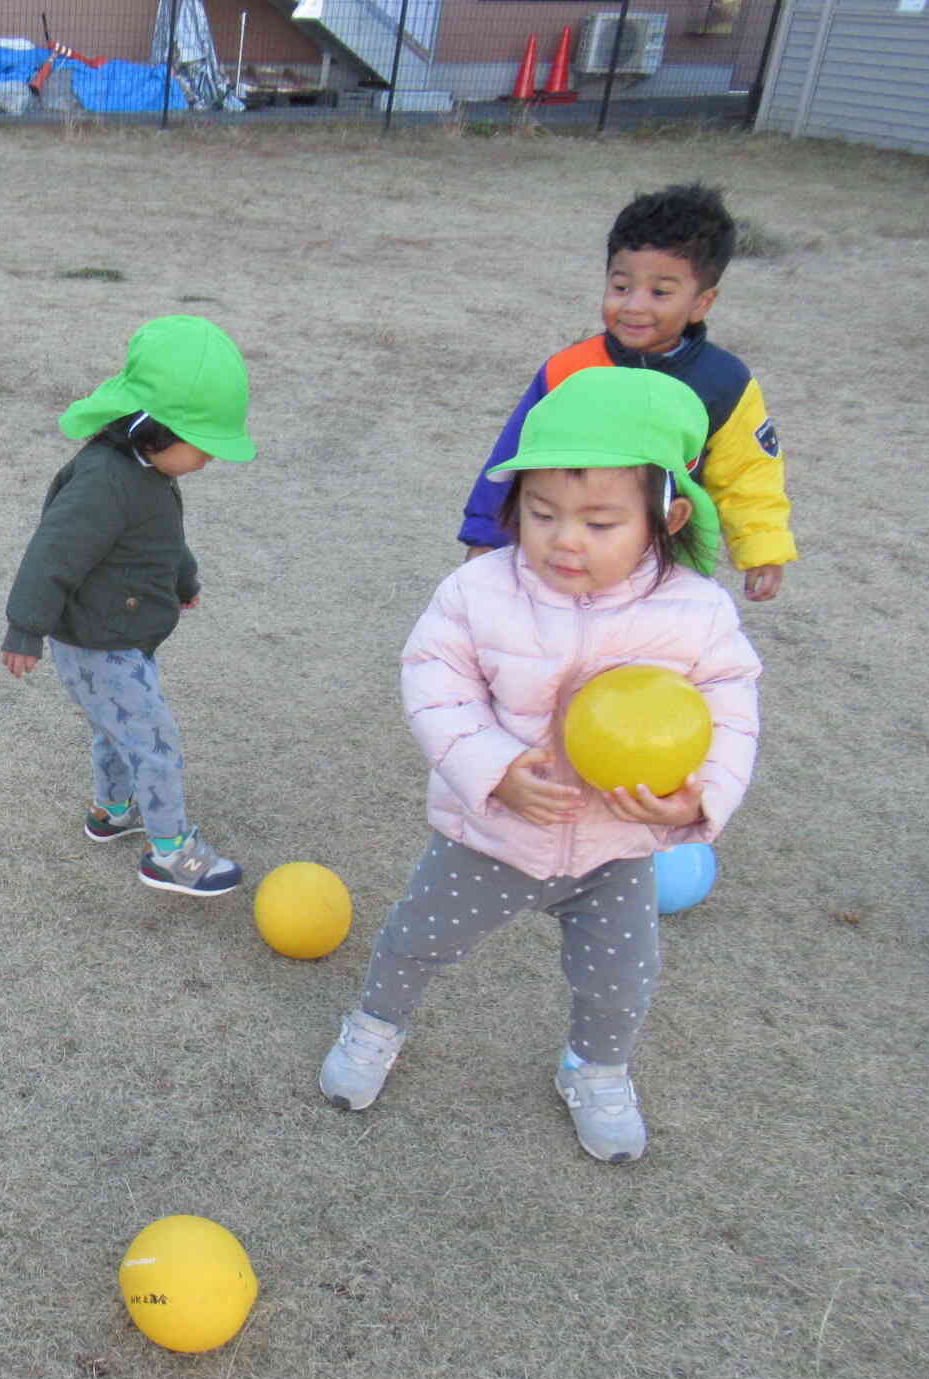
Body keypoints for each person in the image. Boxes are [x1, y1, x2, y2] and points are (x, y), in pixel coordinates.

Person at [321, 368, 762, 1163]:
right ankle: (376, 1025)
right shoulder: (477, 591)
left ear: (668, 516)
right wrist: (493, 769)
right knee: (415, 939)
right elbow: (434, 681)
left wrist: (696, 801)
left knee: (621, 978)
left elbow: (731, 705)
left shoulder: (696, 612)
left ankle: (594, 1069)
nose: (565, 540)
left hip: (613, 851)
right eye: (544, 512)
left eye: (600, 522)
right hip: (491, 836)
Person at [0, 314, 258, 897]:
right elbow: (52, 554)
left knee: (115, 729)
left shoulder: (149, 474)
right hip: (98, 643)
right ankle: (170, 854)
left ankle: (113, 810)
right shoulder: (102, 482)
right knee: (155, 743)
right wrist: (25, 628)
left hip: (119, 633)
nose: (210, 459)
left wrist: (184, 580)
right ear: (154, 429)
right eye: (203, 446)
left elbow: (163, 542)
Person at [457, 183, 798, 602]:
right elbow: (515, 456)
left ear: (701, 302)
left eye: (660, 292)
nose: (634, 305)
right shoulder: (569, 370)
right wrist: (486, 536)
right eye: (621, 287)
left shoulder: (725, 382)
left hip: (663, 567)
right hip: (565, 555)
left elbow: (749, 473)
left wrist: (762, 548)